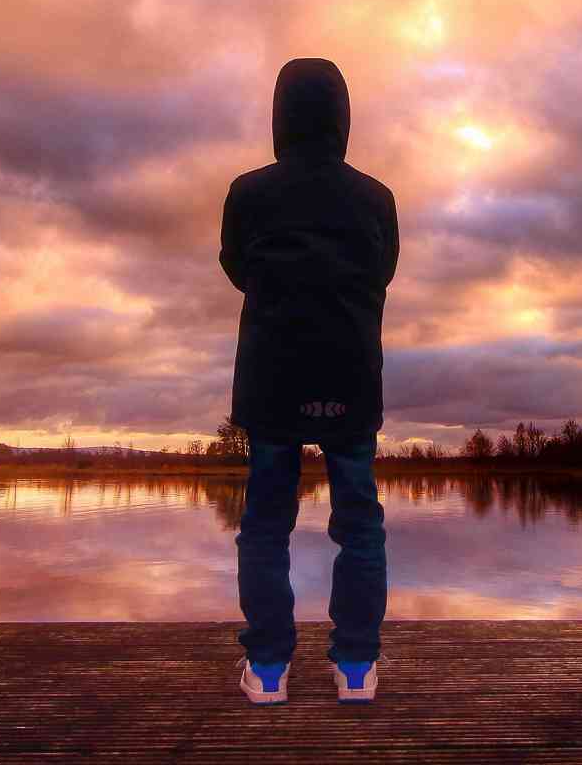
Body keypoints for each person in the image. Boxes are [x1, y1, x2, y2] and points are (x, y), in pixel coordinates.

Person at [218, 57, 398, 706]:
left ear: (279, 117)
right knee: (360, 523)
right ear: (343, 119)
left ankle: (268, 670)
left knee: (266, 524)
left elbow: (236, 266)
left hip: (272, 375)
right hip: (350, 371)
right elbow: (384, 271)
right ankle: (354, 670)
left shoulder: (249, 191)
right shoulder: (376, 197)